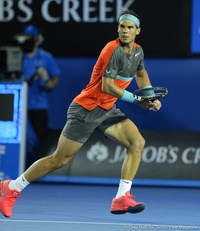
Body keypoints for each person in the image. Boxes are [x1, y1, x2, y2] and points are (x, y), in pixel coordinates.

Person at [0, 10, 162, 217]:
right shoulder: (112, 49)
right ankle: (12, 187)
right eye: (122, 26)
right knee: (59, 160)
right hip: (86, 109)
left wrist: (148, 96)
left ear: (138, 31)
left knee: (136, 143)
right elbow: (108, 86)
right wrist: (138, 100)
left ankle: (122, 197)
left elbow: (141, 74)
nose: (125, 30)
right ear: (118, 29)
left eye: (130, 27)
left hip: (107, 109)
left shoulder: (138, 51)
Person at [20, 25, 60, 166]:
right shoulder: (17, 55)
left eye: (33, 36)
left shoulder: (45, 57)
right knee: (20, 140)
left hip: (38, 105)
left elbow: (53, 81)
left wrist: (46, 79)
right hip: (18, 106)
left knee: (39, 140)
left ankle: (36, 170)